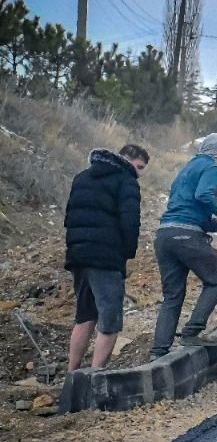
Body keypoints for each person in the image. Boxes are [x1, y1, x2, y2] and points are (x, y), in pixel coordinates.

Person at [64, 144, 150, 371]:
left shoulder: (82, 177)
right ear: (128, 159)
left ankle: (72, 374)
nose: (139, 173)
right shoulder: (125, 181)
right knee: (110, 320)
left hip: (79, 256)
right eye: (139, 166)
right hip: (106, 257)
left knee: (85, 316)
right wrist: (126, 255)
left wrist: (75, 248)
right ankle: (96, 376)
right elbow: (130, 222)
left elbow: (70, 215)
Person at [150, 133, 217, 358]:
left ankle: (159, 351)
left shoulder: (187, 169)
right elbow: (204, 195)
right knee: (216, 281)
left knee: (173, 295)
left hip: (165, 235)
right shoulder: (213, 166)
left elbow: (194, 208)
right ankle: (192, 331)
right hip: (188, 237)